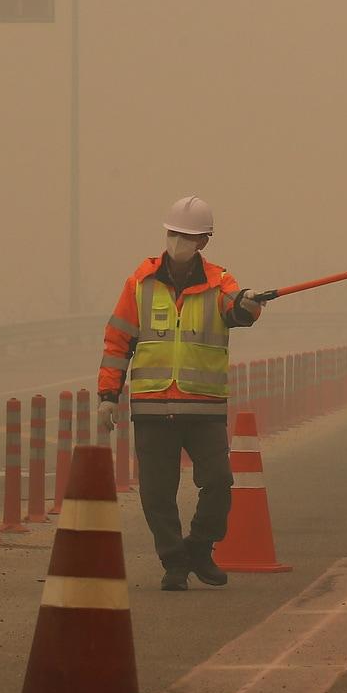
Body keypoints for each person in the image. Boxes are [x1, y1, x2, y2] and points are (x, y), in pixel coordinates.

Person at [96, 195, 264, 591]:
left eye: (187, 236)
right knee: (157, 494)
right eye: (173, 233)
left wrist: (250, 305)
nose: (177, 242)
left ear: (203, 241)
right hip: (152, 407)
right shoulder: (140, 282)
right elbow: (118, 340)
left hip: (203, 407)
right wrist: (107, 395)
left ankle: (200, 547)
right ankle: (173, 563)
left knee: (220, 482)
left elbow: (239, 312)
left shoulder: (220, 282)